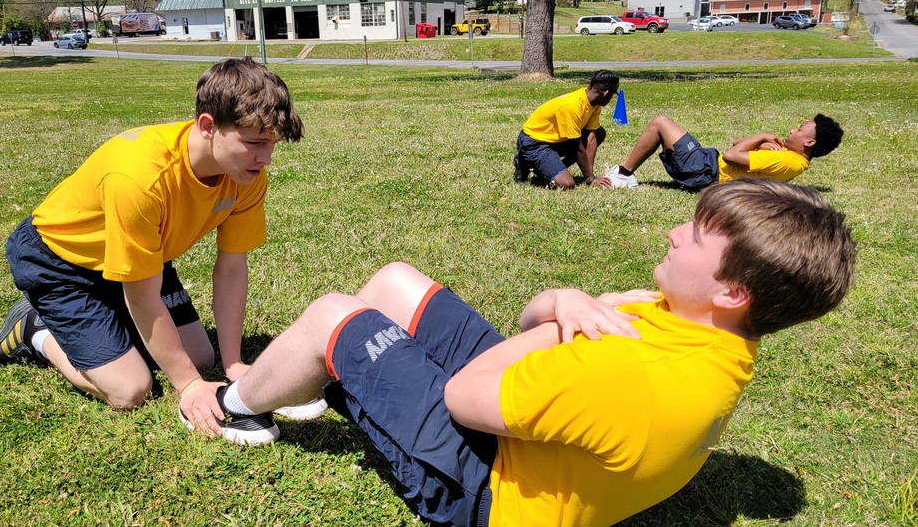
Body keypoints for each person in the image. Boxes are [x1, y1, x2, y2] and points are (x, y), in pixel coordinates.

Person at [185, 178, 856, 526]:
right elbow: (534, 323)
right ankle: (311, 376)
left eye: (698, 236)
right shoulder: (699, 330)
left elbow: (464, 398)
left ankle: (233, 406)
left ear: (733, 290)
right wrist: (563, 300)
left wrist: (557, 320)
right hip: (536, 429)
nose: (676, 231)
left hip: (489, 494)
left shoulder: (636, 374)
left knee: (338, 316)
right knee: (393, 281)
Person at [0, 57, 323, 436]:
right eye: (254, 143)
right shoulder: (139, 177)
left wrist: (233, 365)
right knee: (131, 389)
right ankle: (35, 330)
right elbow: (143, 297)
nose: (266, 158)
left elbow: (230, 270)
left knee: (199, 356)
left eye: (272, 144)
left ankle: (110, 327)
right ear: (208, 126)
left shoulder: (246, 176)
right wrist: (190, 385)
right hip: (60, 263)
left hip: (143, 259)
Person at [598, 113, 844, 190]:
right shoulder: (791, 159)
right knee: (663, 124)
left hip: (705, 171)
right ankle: (625, 172)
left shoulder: (786, 160)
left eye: (800, 129)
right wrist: (760, 145)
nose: (793, 130)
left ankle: (623, 174)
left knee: (660, 122)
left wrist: (761, 137)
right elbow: (738, 142)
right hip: (707, 164)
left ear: (809, 143)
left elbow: (731, 155)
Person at [513, 70, 620, 189]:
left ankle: (548, 169)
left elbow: (591, 138)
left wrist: (590, 175)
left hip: (555, 140)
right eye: (614, 94)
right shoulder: (573, 106)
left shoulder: (594, 103)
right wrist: (591, 178)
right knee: (566, 184)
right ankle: (523, 161)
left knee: (600, 133)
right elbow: (577, 148)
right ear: (606, 93)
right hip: (534, 143)